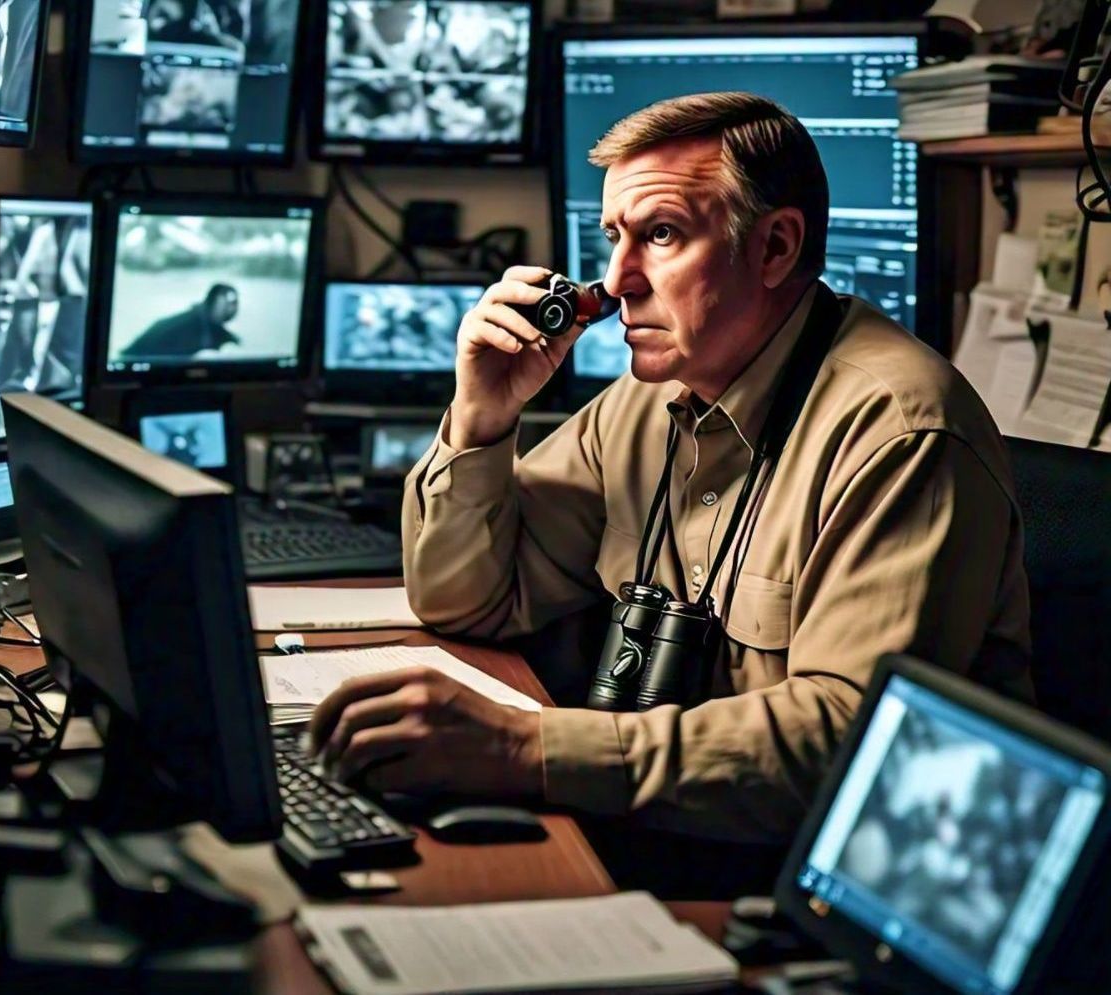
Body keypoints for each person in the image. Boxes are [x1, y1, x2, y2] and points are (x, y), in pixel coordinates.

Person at [308, 92, 1033, 892]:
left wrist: (524, 747)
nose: (618, 282)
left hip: (816, 893)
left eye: (660, 236)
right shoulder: (649, 396)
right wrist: (482, 418)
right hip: (659, 839)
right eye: (613, 238)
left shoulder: (902, 435)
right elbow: (466, 600)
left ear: (776, 247)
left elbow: (844, 748)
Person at [120, 283, 240, 358]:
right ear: (213, 302)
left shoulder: (216, 331)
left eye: (234, 304)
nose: (232, 309)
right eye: (227, 304)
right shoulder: (182, 326)